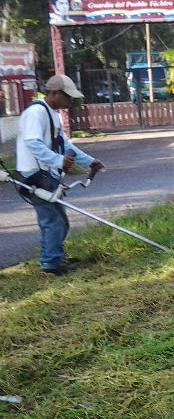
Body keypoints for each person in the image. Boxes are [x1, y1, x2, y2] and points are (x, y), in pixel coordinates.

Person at [14, 75, 104, 275]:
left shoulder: (53, 114)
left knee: (61, 222)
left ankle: (55, 256)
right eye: (67, 96)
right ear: (54, 93)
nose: (70, 101)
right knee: (51, 222)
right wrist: (57, 160)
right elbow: (33, 143)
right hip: (35, 176)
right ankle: (50, 264)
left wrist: (88, 161)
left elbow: (64, 145)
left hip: (49, 174)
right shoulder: (36, 112)